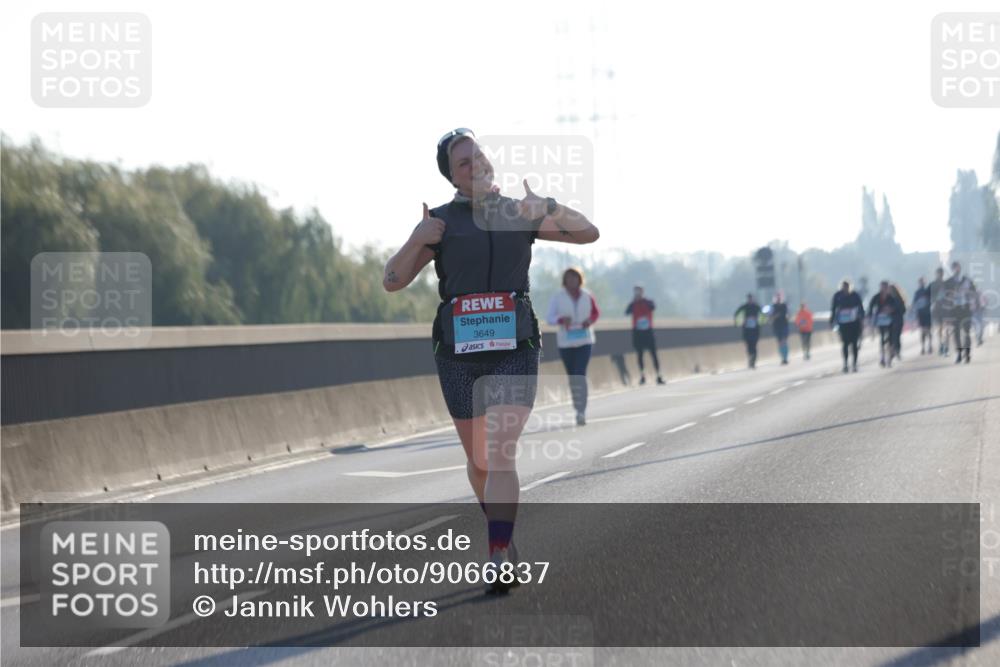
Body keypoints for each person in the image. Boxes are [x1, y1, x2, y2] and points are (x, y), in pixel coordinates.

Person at [382, 128, 599, 593]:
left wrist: (550, 206)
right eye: (464, 162)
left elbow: (589, 233)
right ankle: (503, 534)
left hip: (515, 347)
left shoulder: (517, 214)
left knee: (500, 453)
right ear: (453, 177)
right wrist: (417, 238)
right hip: (458, 355)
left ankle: (498, 553)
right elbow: (392, 280)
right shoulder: (441, 223)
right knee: (479, 461)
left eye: (479, 155)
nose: (476, 165)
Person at [547, 268, 600, 425]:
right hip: (566, 342)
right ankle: (577, 406)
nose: (572, 281)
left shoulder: (587, 295)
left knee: (579, 373)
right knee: (572, 376)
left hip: (585, 340)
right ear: (564, 280)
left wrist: (589, 321)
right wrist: (561, 320)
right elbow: (549, 318)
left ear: (580, 279)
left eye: (575, 278)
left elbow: (596, 313)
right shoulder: (558, 297)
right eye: (569, 278)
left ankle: (581, 411)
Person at [625, 285, 664, 385]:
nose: (637, 293)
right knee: (640, 355)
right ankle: (642, 376)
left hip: (648, 331)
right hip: (638, 332)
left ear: (642, 292)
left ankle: (658, 375)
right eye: (636, 291)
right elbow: (627, 312)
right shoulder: (633, 303)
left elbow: (653, 307)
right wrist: (634, 302)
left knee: (653, 354)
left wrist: (643, 301)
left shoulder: (648, 301)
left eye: (639, 291)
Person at [943, 261, 977, 364]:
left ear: (960, 268)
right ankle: (959, 353)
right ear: (952, 269)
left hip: (966, 308)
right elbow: (945, 296)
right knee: (956, 333)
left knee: (967, 332)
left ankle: (967, 353)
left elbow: (974, 293)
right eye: (954, 268)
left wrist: (969, 296)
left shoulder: (967, 280)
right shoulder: (948, 282)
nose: (956, 270)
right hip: (955, 309)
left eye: (957, 267)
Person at [830, 280, 864, 373]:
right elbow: (833, 308)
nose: (846, 288)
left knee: (854, 344)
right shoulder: (837, 296)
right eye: (844, 286)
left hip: (854, 323)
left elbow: (861, 308)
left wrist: (862, 319)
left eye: (847, 287)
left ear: (850, 287)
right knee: (845, 344)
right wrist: (832, 320)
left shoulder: (855, 295)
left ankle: (855, 364)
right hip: (843, 324)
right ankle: (845, 364)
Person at [868, 281, 903, 368]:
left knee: (891, 339)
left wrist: (890, 309)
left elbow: (897, 307)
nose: (884, 289)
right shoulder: (876, 297)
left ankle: (889, 358)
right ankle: (882, 358)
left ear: (887, 288)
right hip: (880, 321)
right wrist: (870, 316)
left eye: (885, 287)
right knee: (882, 339)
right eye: (882, 287)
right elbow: (871, 306)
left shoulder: (892, 297)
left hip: (891, 320)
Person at [733, 293, 762, 369]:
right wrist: (738, 322)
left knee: (754, 346)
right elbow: (736, 314)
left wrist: (758, 321)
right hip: (746, 330)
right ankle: (750, 360)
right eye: (749, 299)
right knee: (749, 346)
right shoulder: (744, 307)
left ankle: (753, 362)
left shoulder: (757, 307)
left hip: (755, 330)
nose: (750, 300)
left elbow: (763, 315)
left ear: (753, 299)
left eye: (751, 298)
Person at [930, 267, 949, 356]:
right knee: (940, 328)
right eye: (938, 273)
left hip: (946, 308)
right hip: (937, 308)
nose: (940, 275)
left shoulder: (946, 284)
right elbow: (930, 296)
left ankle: (946, 345)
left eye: (941, 273)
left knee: (947, 328)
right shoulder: (933, 284)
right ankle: (941, 344)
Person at [913, 277, 933, 355]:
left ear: (925, 283)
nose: (921, 283)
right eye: (920, 282)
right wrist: (915, 314)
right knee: (923, 331)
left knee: (928, 330)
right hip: (921, 313)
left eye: (923, 282)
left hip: (928, 312)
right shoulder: (917, 293)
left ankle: (930, 345)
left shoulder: (928, 291)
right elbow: (915, 304)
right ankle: (923, 347)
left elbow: (932, 300)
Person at [889, 283, 907, 362]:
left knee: (896, 337)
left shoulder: (899, 299)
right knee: (892, 337)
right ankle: (893, 351)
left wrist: (894, 310)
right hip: (891, 321)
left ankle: (896, 351)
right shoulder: (888, 298)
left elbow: (903, 310)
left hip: (898, 320)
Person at [771, 291, 790, 365]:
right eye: (777, 297)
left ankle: (785, 358)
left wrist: (783, 315)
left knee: (784, 341)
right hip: (777, 326)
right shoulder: (773, 306)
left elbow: (787, 314)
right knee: (779, 343)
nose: (778, 298)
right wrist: (775, 316)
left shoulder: (784, 305)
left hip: (784, 325)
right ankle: (782, 358)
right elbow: (771, 316)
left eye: (779, 297)